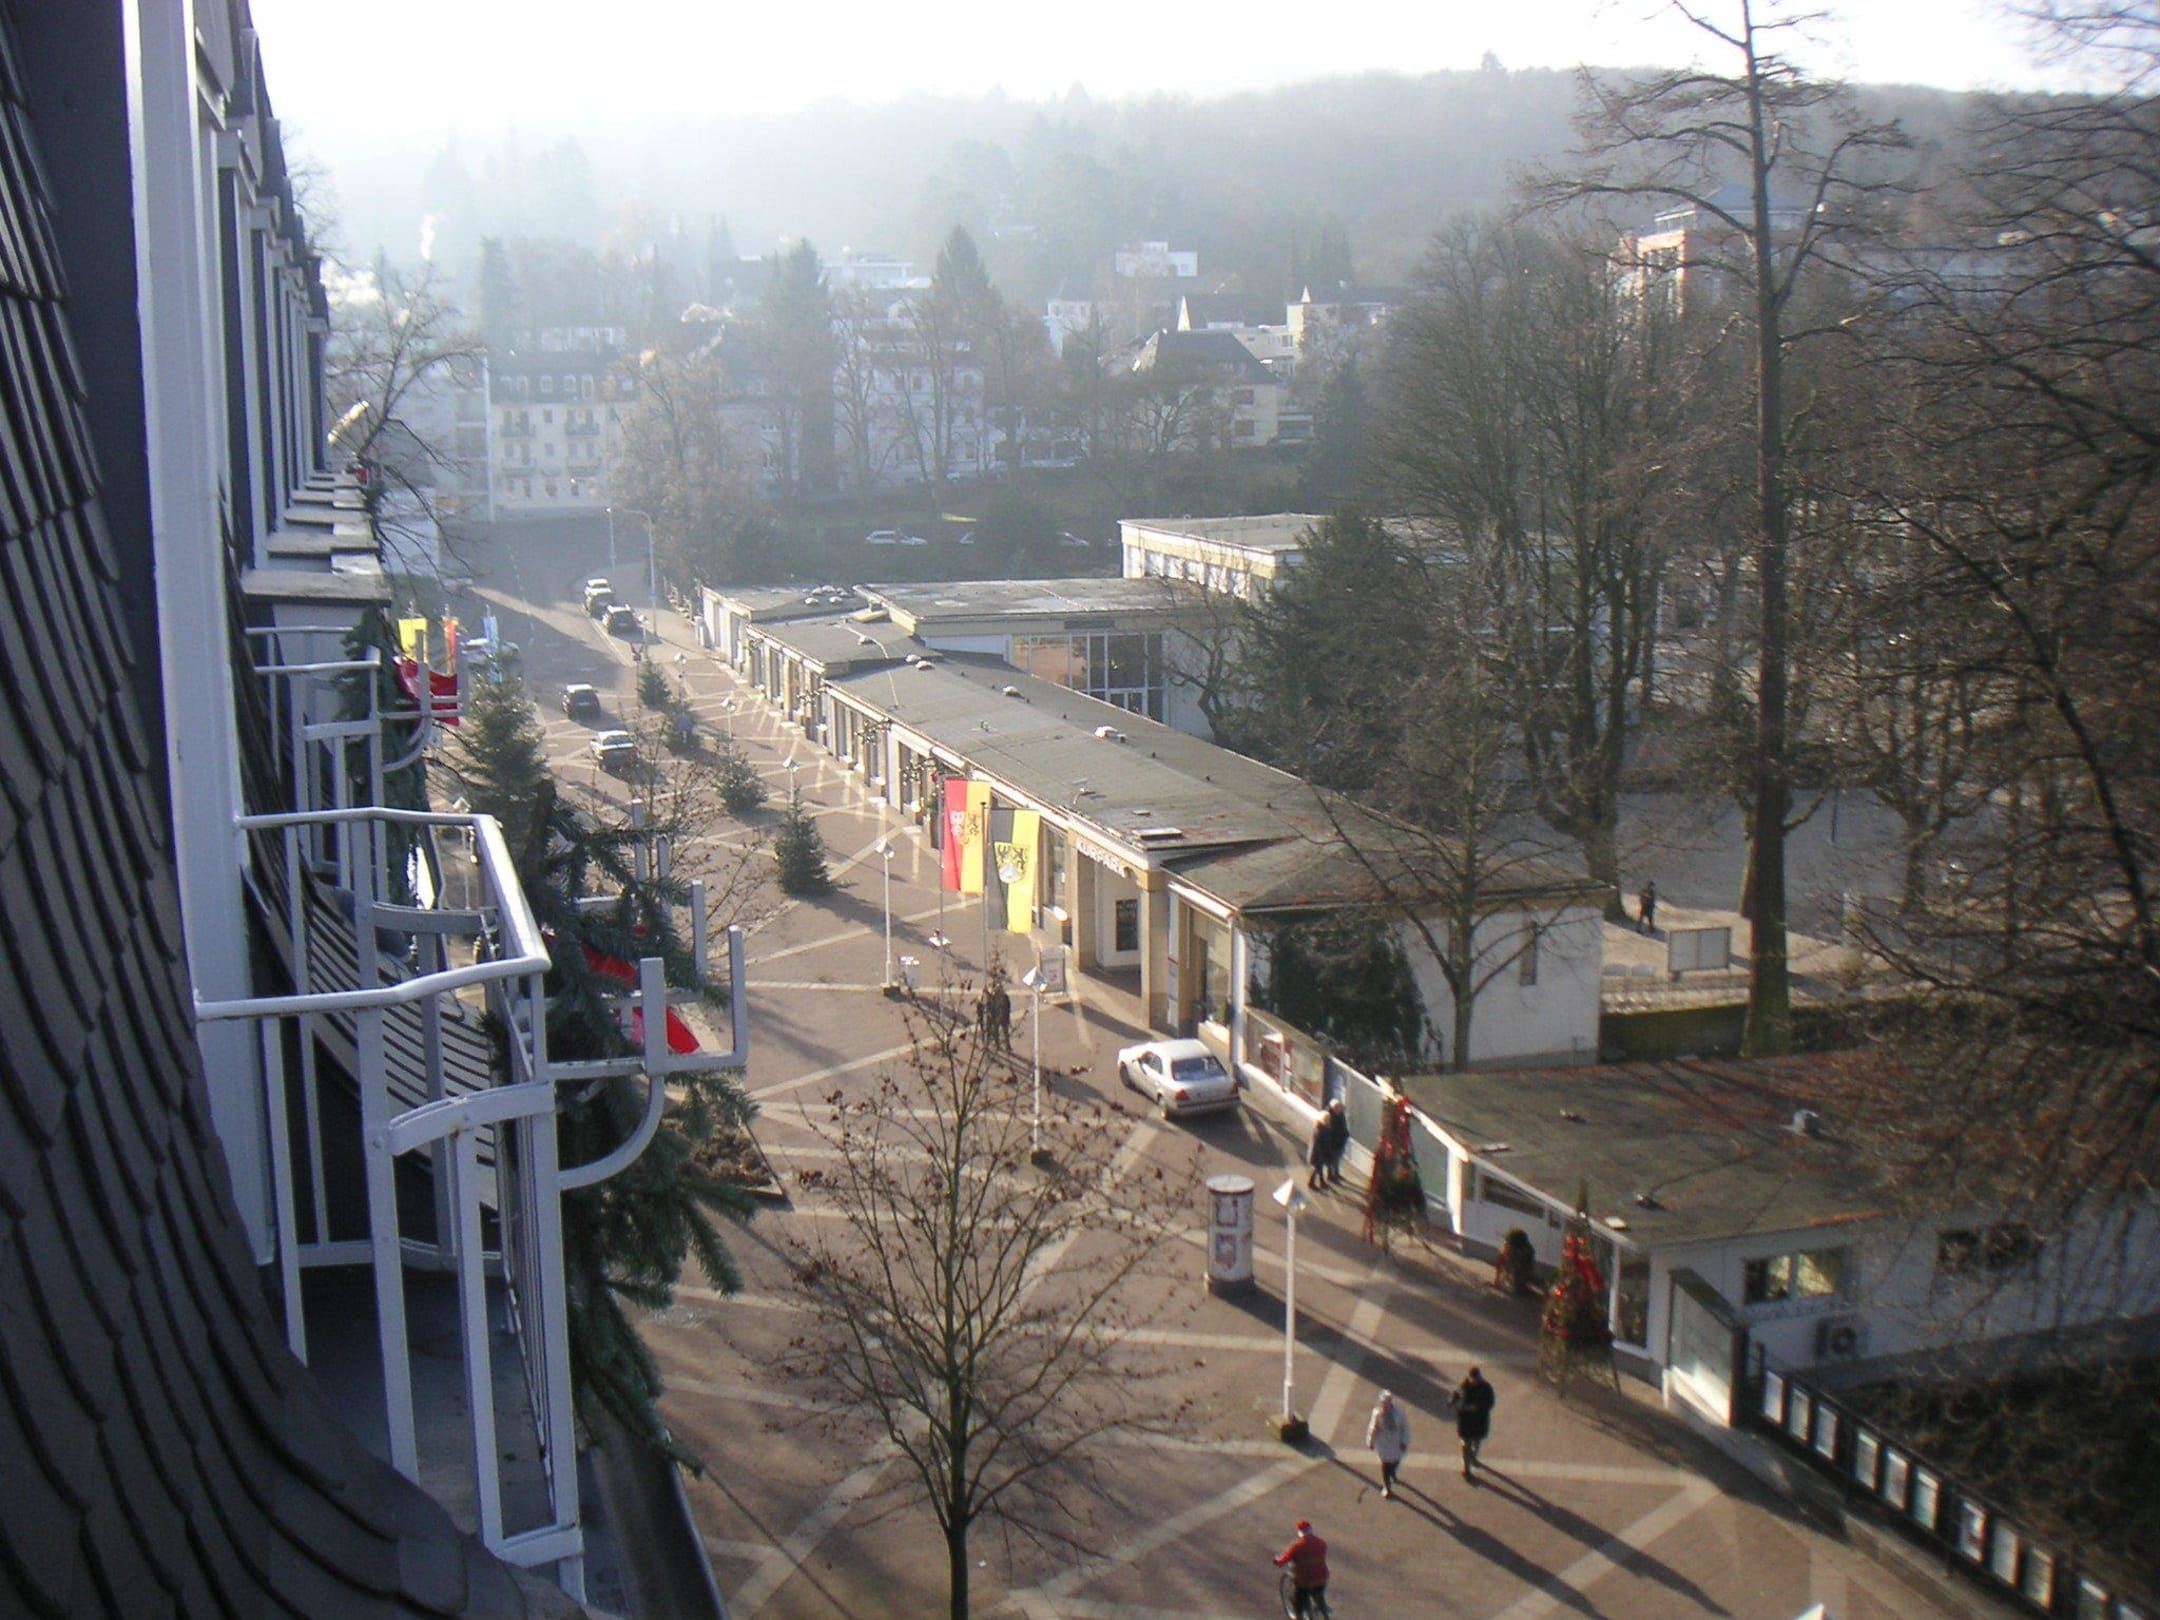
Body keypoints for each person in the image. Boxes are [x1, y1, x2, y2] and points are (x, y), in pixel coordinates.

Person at [1273, 1519, 1330, 1618]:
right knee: (1319, 1591)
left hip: (1305, 1580)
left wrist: (1277, 1561)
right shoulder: (1321, 1543)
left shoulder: (1296, 1547)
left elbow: (1282, 1561)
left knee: (1299, 1603)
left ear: (1300, 1532)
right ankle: (1321, 1606)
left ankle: (1299, 1616)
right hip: (1322, 1577)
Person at [1365, 1389, 1411, 1500]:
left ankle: (1393, 1473)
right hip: (1383, 1444)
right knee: (1385, 1466)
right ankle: (1387, 1487)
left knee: (1395, 1462)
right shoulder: (1377, 1413)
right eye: (1383, 1404)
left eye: (1387, 1403)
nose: (1385, 1406)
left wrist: (1404, 1441)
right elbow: (1372, 1427)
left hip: (1396, 1442)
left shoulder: (1399, 1413)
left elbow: (1405, 1427)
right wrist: (1370, 1441)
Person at [1455, 1365, 1496, 1480]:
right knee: (1465, 1445)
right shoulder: (1463, 1387)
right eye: (1471, 1379)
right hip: (1465, 1422)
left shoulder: (1486, 1388)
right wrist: (1454, 1403)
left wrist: (1477, 1408)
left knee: (1476, 1443)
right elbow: (1456, 1397)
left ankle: (1472, 1457)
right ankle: (1466, 1468)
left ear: (1479, 1377)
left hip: (1479, 1421)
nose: (1473, 1381)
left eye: (1475, 1379)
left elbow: (1490, 1403)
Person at [1321, 1098, 1350, 1187]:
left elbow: (1343, 1125)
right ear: (1333, 1108)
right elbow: (1329, 1129)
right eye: (1337, 1107)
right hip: (1333, 1142)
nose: (1339, 1109)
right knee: (1332, 1160)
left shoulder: (1341, 1114)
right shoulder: (1329, 1116)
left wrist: (1345, 1134)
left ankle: (1336, 1173)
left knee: (1337, 1159)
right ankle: (1331, 1175)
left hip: (1340, 1141)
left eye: (1339, 1107)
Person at [1307, 1111, 1332, 1190]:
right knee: (1316, 1168)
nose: (1328, 1120)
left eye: (1328, 1119)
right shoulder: (1320, 1129)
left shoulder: (1322, 1127)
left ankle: (1322, 1182)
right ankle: (1311, 1183)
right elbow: (1318, 1143)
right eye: (1326, 1119)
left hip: (1319, 1153)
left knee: (1319, 1168)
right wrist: (1323, 1153)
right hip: (1317, 1153)